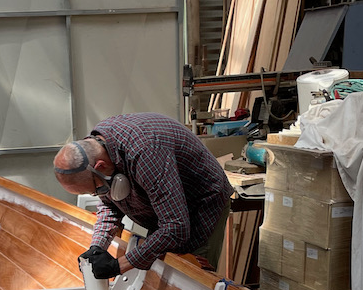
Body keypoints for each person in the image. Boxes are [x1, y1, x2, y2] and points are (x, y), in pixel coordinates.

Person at [52, 113, 232, 279]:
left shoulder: (145, 152)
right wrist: (97, 247)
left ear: (99, 166)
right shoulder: (98, 147)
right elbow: (110, 204)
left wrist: (119, 265)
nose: (96, 194)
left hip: (200, 204)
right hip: (164, 209)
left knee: (191, 277)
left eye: (93, 190)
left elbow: (176, 227)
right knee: (161, 263)